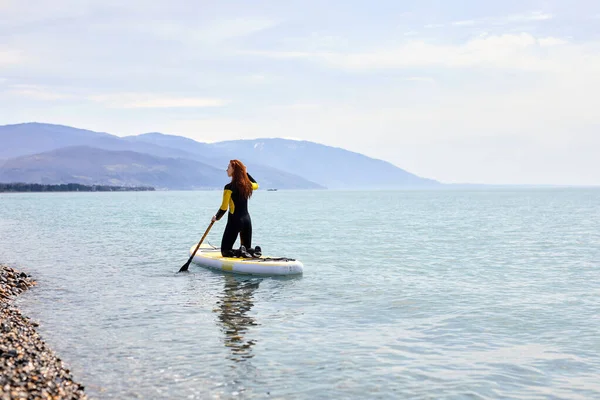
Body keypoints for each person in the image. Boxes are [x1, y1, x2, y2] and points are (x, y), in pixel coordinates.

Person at [211, 160, 260, 257]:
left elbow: (224, 208)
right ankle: (254, 251)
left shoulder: (228, 187)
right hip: (247, 221)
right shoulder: (247, 186)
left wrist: (216, 217)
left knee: (225, 251)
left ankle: (239, 252)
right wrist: (246, 173)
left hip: (235, 221)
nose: (226, 170)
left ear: (234, 170)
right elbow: (256, 185)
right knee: (247, 247)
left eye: (229, 167)